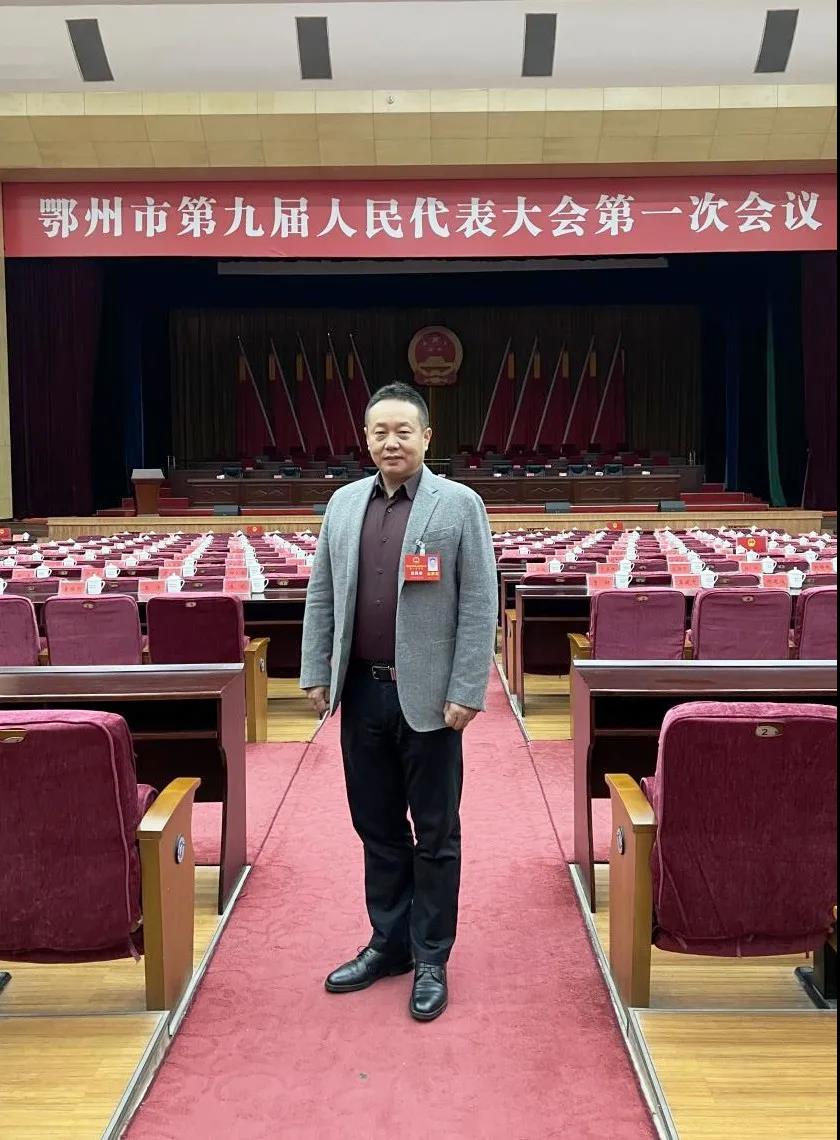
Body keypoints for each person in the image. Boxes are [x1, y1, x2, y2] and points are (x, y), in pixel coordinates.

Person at [300, 382, 498, 1021]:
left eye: (403, 431)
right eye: (380, 432)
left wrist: (467, 689)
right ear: (366, 439)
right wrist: (317, 670)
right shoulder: (342, 504)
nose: (392, 442)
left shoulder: (458, 504)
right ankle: (389, 943)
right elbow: (322, 593)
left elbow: (480, 604)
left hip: (432, 701)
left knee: (435, 832)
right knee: (377, 825)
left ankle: (431, 955)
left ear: (426, 437)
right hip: (362, 693)